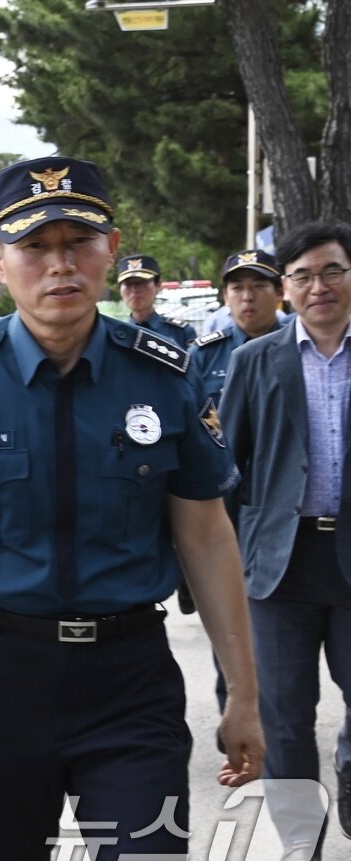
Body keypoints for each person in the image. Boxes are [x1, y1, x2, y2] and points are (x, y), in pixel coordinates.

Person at [0, 156, 264, 861]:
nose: (60, 264)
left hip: (129, 680)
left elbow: (207, 538)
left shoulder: (164, 375)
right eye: (36, 246)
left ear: (112, 249)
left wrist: (244, 692)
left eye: (79, 242)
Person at [221, 220, 351, 861]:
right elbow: (229, 468)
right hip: (281, 564)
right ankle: (301, 838)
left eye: (332, 271)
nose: (318, 286)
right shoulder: (255, 361)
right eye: (302, 276)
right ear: (286, 289)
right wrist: (232, 561)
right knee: (286, 712)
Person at [188, 248, 288, 736]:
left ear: (279, 292)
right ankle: (237, 717)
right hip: (224, 510)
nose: (248, 297)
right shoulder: (204, 353)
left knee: (281, 629)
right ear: (225, 296)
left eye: (259, 286)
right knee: (227, 614)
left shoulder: (302, 345)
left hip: (281, 510)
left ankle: (277, 722)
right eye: (237, 288)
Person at [119, 253, 197, 346]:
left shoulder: (180, 332)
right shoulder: (117, 333)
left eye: (142, 283)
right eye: (128, 284)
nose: (135, 289)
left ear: (158, 286)